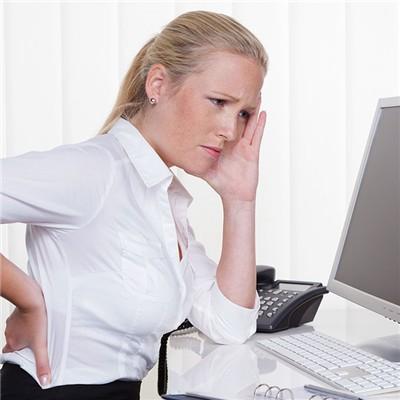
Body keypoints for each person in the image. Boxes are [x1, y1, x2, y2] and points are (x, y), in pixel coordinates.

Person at [0, 10, 268, 400]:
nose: (230, 130)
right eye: (218, 102)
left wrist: (240, 201)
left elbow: (230, 325)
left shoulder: (160, 197)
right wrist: (26, 298)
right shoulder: (95, 171)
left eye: (243, 113)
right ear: (158, 83)